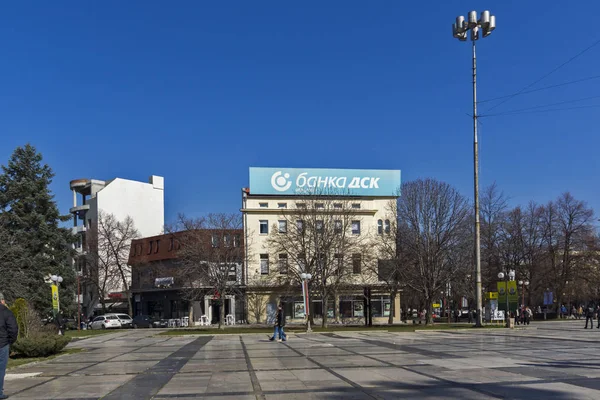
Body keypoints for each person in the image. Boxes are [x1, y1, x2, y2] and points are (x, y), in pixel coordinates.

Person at [0, 292, 19, 400]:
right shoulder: (6, 312)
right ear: (2, 300)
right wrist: (10, 341)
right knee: (1, 369)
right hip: (2, 344)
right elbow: (13, 329)